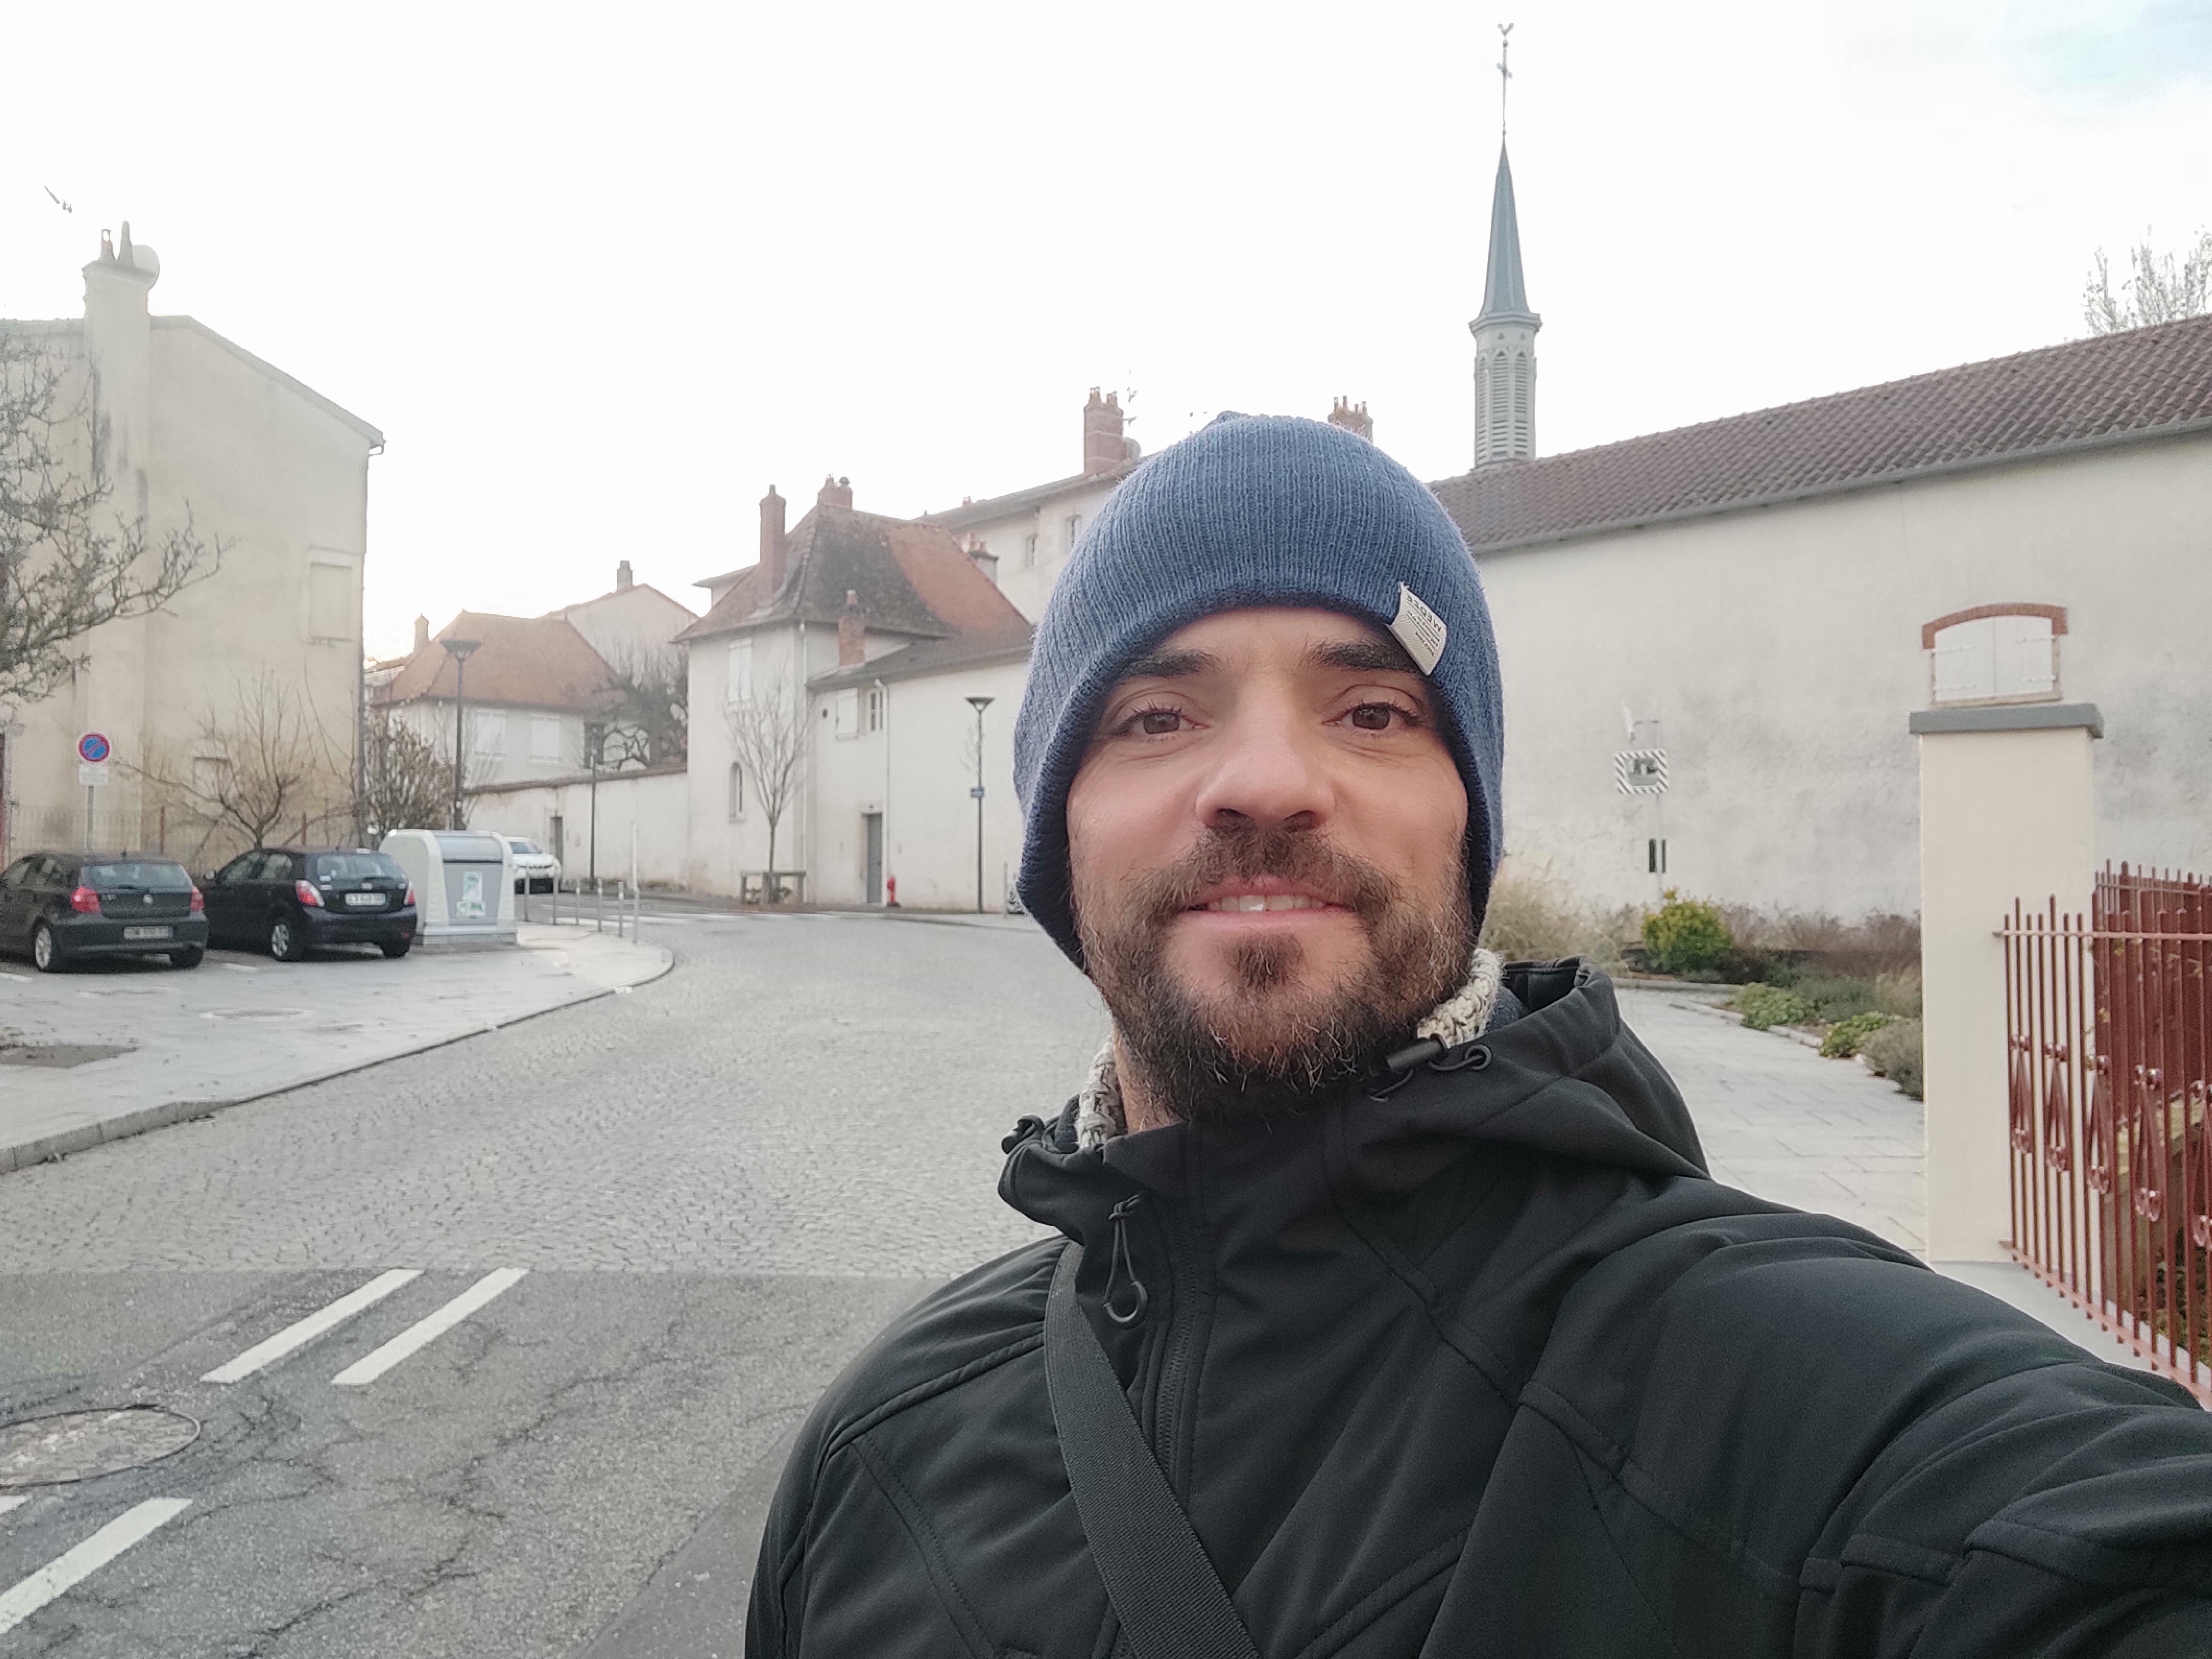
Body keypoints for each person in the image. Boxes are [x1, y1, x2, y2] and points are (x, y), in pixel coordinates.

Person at [746, 415, 2212, 1657]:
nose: (1267, 779)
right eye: (1154, 717)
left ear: (1471, 828)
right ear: (1060, 840)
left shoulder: (1766, 1390)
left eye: (1374, 710)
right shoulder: (881, 1458)